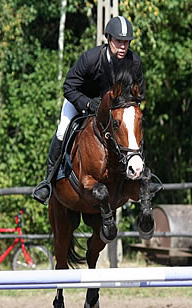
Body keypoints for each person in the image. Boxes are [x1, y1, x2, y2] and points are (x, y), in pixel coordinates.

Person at [32, 16, 145, 205]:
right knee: (63, 129)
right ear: (109, 39)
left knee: (133, 128)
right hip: (80, 101)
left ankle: (140, 177)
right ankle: (48, 182)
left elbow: (138, 94)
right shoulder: (91, 58)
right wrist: (86, 104)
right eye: (119, 41)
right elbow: (69, 87)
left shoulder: (134, 62)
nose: (123, 46)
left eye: (126, 42)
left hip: (112, 110)